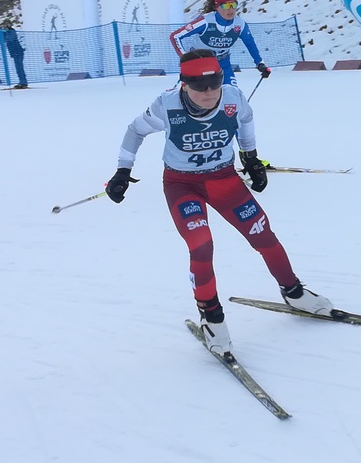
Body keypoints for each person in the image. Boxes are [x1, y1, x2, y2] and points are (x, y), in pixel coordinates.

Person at [104, 49, 331, 355]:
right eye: (199, 86)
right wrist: (123, 170)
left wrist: (251, 158)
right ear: (184, 84)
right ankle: (211, 317)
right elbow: (135, 131)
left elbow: (246, 120)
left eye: (215, 83)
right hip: (183, 185)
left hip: (224, 180)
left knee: (263, 235)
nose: (209, 92)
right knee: (201, 246)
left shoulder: (233, 98)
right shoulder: (166, 105)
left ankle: (294, 292)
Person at [169, 0, 272, 87]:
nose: (230, 9)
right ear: (216, 6)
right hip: (200, 61)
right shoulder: (205, 21)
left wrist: (260, 63)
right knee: (201, 95)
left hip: (223, 63)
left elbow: (250, 44)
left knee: (232, 94)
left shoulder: (239, 24)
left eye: (233, 4)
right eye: (226, 6)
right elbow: (175, 36)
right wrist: (184, 57)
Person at [1, 19, 28, 89]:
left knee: (19, 67)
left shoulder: (12, 31)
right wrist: (2, 33)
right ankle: (22, 82)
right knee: (18, 68)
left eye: (7, 24)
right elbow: (3, 39)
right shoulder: (6, 32)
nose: (6, 25)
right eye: (5, 24)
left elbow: (11, 38)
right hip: (14, 53)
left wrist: (5, 32)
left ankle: (23, 82)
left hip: (18, 52)